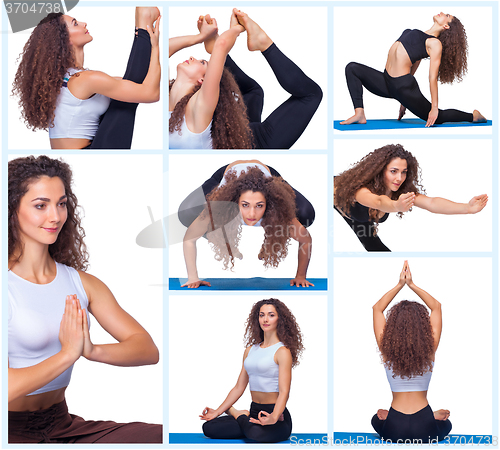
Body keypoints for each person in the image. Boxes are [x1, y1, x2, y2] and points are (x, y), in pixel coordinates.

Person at [8, 155, 162, 443]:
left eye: (62, 203)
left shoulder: (82, 283)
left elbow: (147, 350)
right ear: (11, 209)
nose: (55, 216)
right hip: (9, 431)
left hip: (62, 424)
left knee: (160, 437)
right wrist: (67, 353)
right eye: (41, 205)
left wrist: (91, 350)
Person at [169, 9, 322, 149]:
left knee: (253, 93)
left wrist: (200, 37)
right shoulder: (198, 105)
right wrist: (237, 29)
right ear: (203, 80)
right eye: (203, 62)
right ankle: (263, 42)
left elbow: (158, 51)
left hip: (229, 138)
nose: (191, 57)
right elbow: (222, 45)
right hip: (248, 145)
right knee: (311, 95)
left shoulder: (166, 97)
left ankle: (256, 42)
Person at [12, 8, 161, 149]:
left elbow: (134, 81)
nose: (84, 24)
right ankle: (143, 25)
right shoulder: (85, 80)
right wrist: (154, 47)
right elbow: (151, 94)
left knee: (127, 89)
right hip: (92, 156)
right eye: (75, 23)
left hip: (84, 153)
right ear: (64, 39)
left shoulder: (66, 78)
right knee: (125, 101)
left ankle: (143, 25)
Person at [179, 160, 314, 287]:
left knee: (306, 214)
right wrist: (193, 277)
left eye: (259, 206)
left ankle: (270, 237)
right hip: (228, 172)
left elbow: (306, 239)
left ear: (269, 204)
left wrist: (301, 276)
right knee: (186, 214)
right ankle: (226, 242)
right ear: (235, 202)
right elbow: (189, 239)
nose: (252, 214)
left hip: (266, 173)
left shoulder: (276, 209)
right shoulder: (220, 207)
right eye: (245, 205)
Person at [340, 12, 486, 126]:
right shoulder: (418, 34)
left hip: (403, 88)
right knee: (352, 68)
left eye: (447, 16)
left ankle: (473, 116)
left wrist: (434, 107)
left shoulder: (435, 44)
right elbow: (414, 62)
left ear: (446, 26)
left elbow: (432, 77)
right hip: (386, 82)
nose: (442, 12)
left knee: (438, 117)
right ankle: (359, 114)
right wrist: (404, 102)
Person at [333, 144, 488, 251]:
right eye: (393, 171)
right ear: (380, 171)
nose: (399, 178)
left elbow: (431, 203)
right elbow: (379, 201)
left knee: (376, 248)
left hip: (357, 216)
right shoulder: (362, 190)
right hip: (328, 194)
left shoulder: (399, 191)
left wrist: (467, 208)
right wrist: (395, 206)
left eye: (404, 172)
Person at [200, 298, 303, 443]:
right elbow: (238, 388)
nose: (265, 319)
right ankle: (245, 418)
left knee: (255, 433)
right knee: (209, 428)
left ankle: (237, 413)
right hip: (255, 410)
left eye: (271, 315)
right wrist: (218, 411)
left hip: (276, 414)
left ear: (280, 319)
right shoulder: (250, 350)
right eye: (262, 315)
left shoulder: (282, 351)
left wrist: (274, 416)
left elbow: (284, 391)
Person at [371, 261, 451, 442]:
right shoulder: (430, 348)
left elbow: (377, 308)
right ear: (423, 327)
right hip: (424, 423)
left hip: (395, 425)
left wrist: (400, 284)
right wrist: (412, 284)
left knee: (376, 419)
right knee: (447, 424)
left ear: (392, 327)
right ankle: (433, 416)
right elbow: (436, 306)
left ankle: (426, 416)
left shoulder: (386, 349)